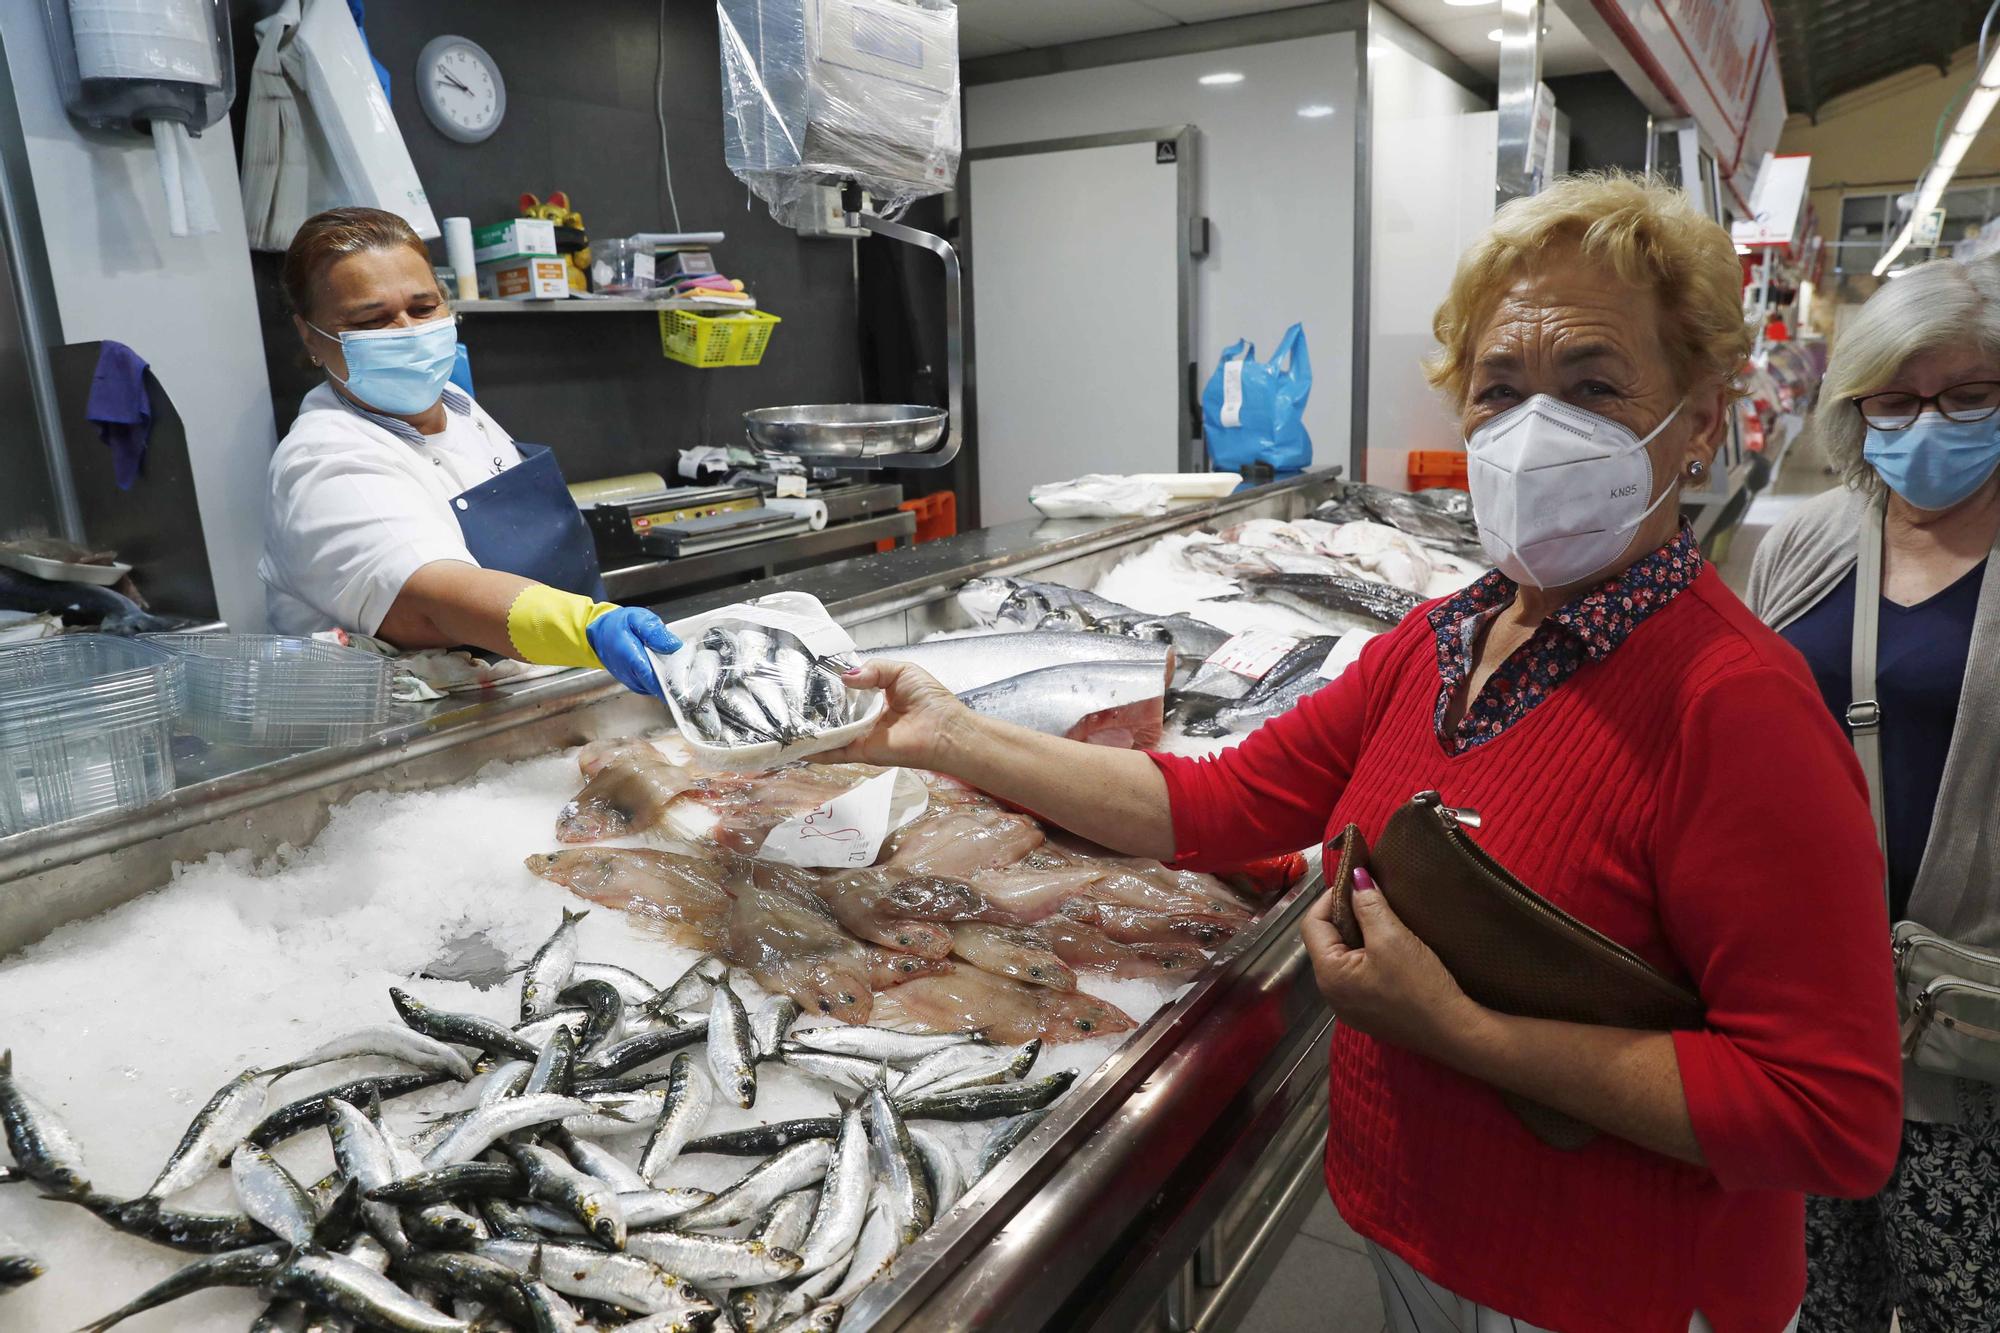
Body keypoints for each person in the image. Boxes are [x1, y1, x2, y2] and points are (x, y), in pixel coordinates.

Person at [831, 174, 1903, 1333]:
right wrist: (949, 733)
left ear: (1696, 421)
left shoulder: (1735, 707)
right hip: (1414, 1241)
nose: (1536, 428)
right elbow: (1208, 803)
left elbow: (1826, 1116)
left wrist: (1458, 1031)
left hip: (1612, 1294)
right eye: (1500, 389)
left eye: (1592, 386)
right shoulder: (1434, 645)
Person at [1747, 256, 2000, 1333]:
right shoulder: (1801, 544)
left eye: (1966, 396)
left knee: (1960, 1292)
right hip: (1806, 1011)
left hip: (1970, 1028)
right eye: (1893, 400)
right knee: (1808, 1293)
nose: (1925, 425)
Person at [259, 207, 678, 695]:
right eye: (372, 319)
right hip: (412, 742)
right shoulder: (322, 462)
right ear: (310, 333)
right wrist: (584, 626)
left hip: (531, 693)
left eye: (423, 308)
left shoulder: (461, 410)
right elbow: (437, 600)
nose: (408, 332)